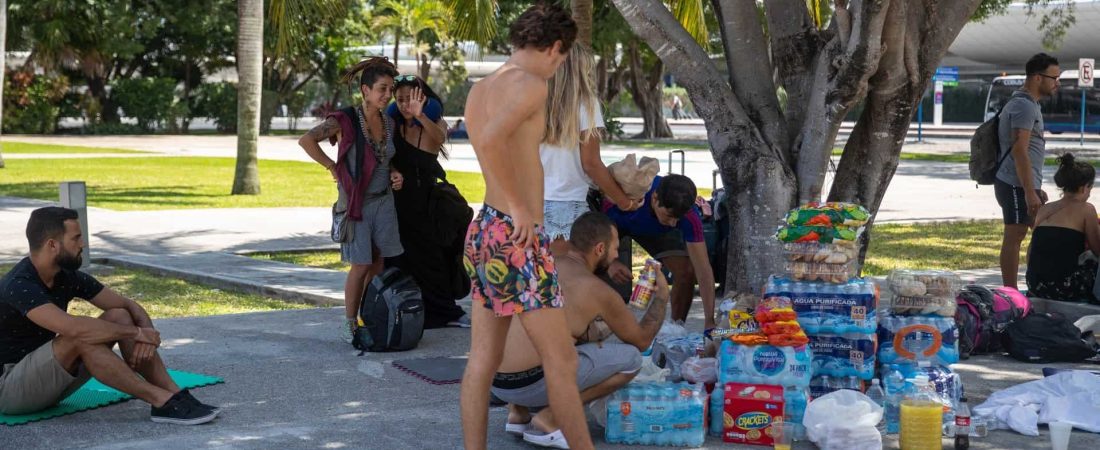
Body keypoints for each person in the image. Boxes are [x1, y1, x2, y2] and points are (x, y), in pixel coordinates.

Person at [459, 4, 593, 450]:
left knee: (483, 359)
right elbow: (490, 140)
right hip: (516, 234)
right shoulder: (531, 85)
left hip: (485, 229)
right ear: (555, 48)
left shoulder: (482, 88)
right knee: (562, 359)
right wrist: (518, 207)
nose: (559, 67)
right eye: (561, 57)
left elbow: (486, 138)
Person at [0, 207, 219, 424]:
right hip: (10, 390)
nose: (82, 244)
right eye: (76, 238)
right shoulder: (20, 285)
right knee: (81, 335)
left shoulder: (65, 276)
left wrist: (146, 334)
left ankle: (173, 392)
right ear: (52, 245)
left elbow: (127, 305)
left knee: (118, 315)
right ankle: (160, 400)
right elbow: (74, 329)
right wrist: (137, 333)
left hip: (48, 382)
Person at [492, 212, 669, 449]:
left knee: (542, 333)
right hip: (532, 384)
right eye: (615, 249)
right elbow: (642, 341)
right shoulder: (597, 290)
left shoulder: (540, 262)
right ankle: (552, 417)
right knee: (631, 359)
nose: (617, 255)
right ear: (599, 249)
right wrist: (662, 298)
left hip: (496, 382)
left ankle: (518, 414)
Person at [298, 57, 405, 344]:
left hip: (384, 201)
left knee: (379, 262)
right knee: (360, 264)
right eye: (382, 89)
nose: (387, 95)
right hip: (357, 203)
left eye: (390, 90)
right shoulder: (344, 120)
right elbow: (306, 140)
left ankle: (367, 315)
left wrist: (395, 173)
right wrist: (331, 167)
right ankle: (349, 323)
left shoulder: (389, 122)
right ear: (365, 90)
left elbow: (384, 158)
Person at [385, 75, 471, 329]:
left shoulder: (436, 123)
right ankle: (407, 308)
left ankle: (446, 311)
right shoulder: (393, 124)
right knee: (401, 258)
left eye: (410, 99)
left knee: (433, 258)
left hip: (428, 203)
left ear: (422, 98)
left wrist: (420, 115)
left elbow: (439, 139)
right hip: (399, 202)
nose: (404, 104)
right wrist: (391, 170)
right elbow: (383, 153)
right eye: (399, 99)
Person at [541, 43, 639, 256]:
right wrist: (624, 202)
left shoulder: (533, 101)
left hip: (531, 202)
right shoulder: (585, 105)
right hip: (568, 203)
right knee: (570, 280)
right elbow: (591, 164)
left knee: (541, 281)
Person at [603, 174, 717, 332]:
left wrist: (710, 321)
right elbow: (593, 236)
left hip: (656, 230)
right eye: (669, 216)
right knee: (599, 268)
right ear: (655, 198)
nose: (673, 223)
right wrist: (610, 262)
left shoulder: (688, 216)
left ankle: (675, 329)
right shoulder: (629, 193)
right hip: (615, 224)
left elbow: (703, 270)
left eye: (678, 219)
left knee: (686, 271)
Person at [997, 53, 1060, 288]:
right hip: (1013, 183)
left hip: (1024, 183)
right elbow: (1019, 151)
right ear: (1036, 78)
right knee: (1014, 237)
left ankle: (1035, 285)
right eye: (1053, 77)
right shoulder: (1024, 106)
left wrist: (1035, 186)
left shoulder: (1029, 104)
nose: (1057, 83)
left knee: (1035, 233)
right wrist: (1028, 191)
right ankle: (1010, 295)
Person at [1026, 153, 1100, 304]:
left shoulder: (1044, 209)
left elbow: (1031, 250)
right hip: (1065, 287)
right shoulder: (1086, 209)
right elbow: (1097, 249)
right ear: (1084, 187)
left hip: (1035, 284)